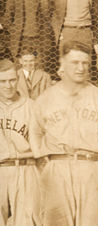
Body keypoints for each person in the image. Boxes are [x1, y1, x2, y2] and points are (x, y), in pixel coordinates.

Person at [29, 41, 98, 226]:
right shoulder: (45, 98)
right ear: (63, 63)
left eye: (85, 62)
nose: (81, 67)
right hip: (56, 171)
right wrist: (43, 163)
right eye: (75, 62)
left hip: (92, 168)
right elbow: (34, 133)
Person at [0, 59, 41, 226]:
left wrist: (21, 153)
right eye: (2, 81)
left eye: (12, 80)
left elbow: (44, 148)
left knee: (27, 222)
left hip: (26, 168)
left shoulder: (32, 107)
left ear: (18, 79)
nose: (8, 85)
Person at [0, 0, 56, 73]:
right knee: (20, 68)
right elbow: (7, 19)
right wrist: (14, 30)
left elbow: (49, 15)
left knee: (39, 68)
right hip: (21, 41)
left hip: (39, 40)